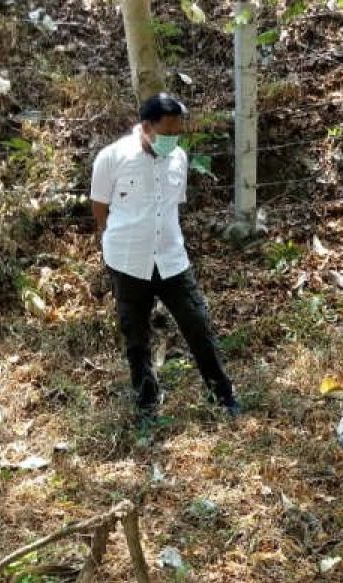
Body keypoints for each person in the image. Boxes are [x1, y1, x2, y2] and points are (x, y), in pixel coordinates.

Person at [90, 94, 240, 433]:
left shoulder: (179, 159)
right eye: (168, 131)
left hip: (172, 260)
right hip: (128, 261)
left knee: (198, 324)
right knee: (136, 335)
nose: (174, 138)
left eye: (178, 131)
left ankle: (223, 396)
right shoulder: (112, 158)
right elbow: (100, 209)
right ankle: (146, 405)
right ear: (146, 127)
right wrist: (120, 237)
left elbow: (172, 207)